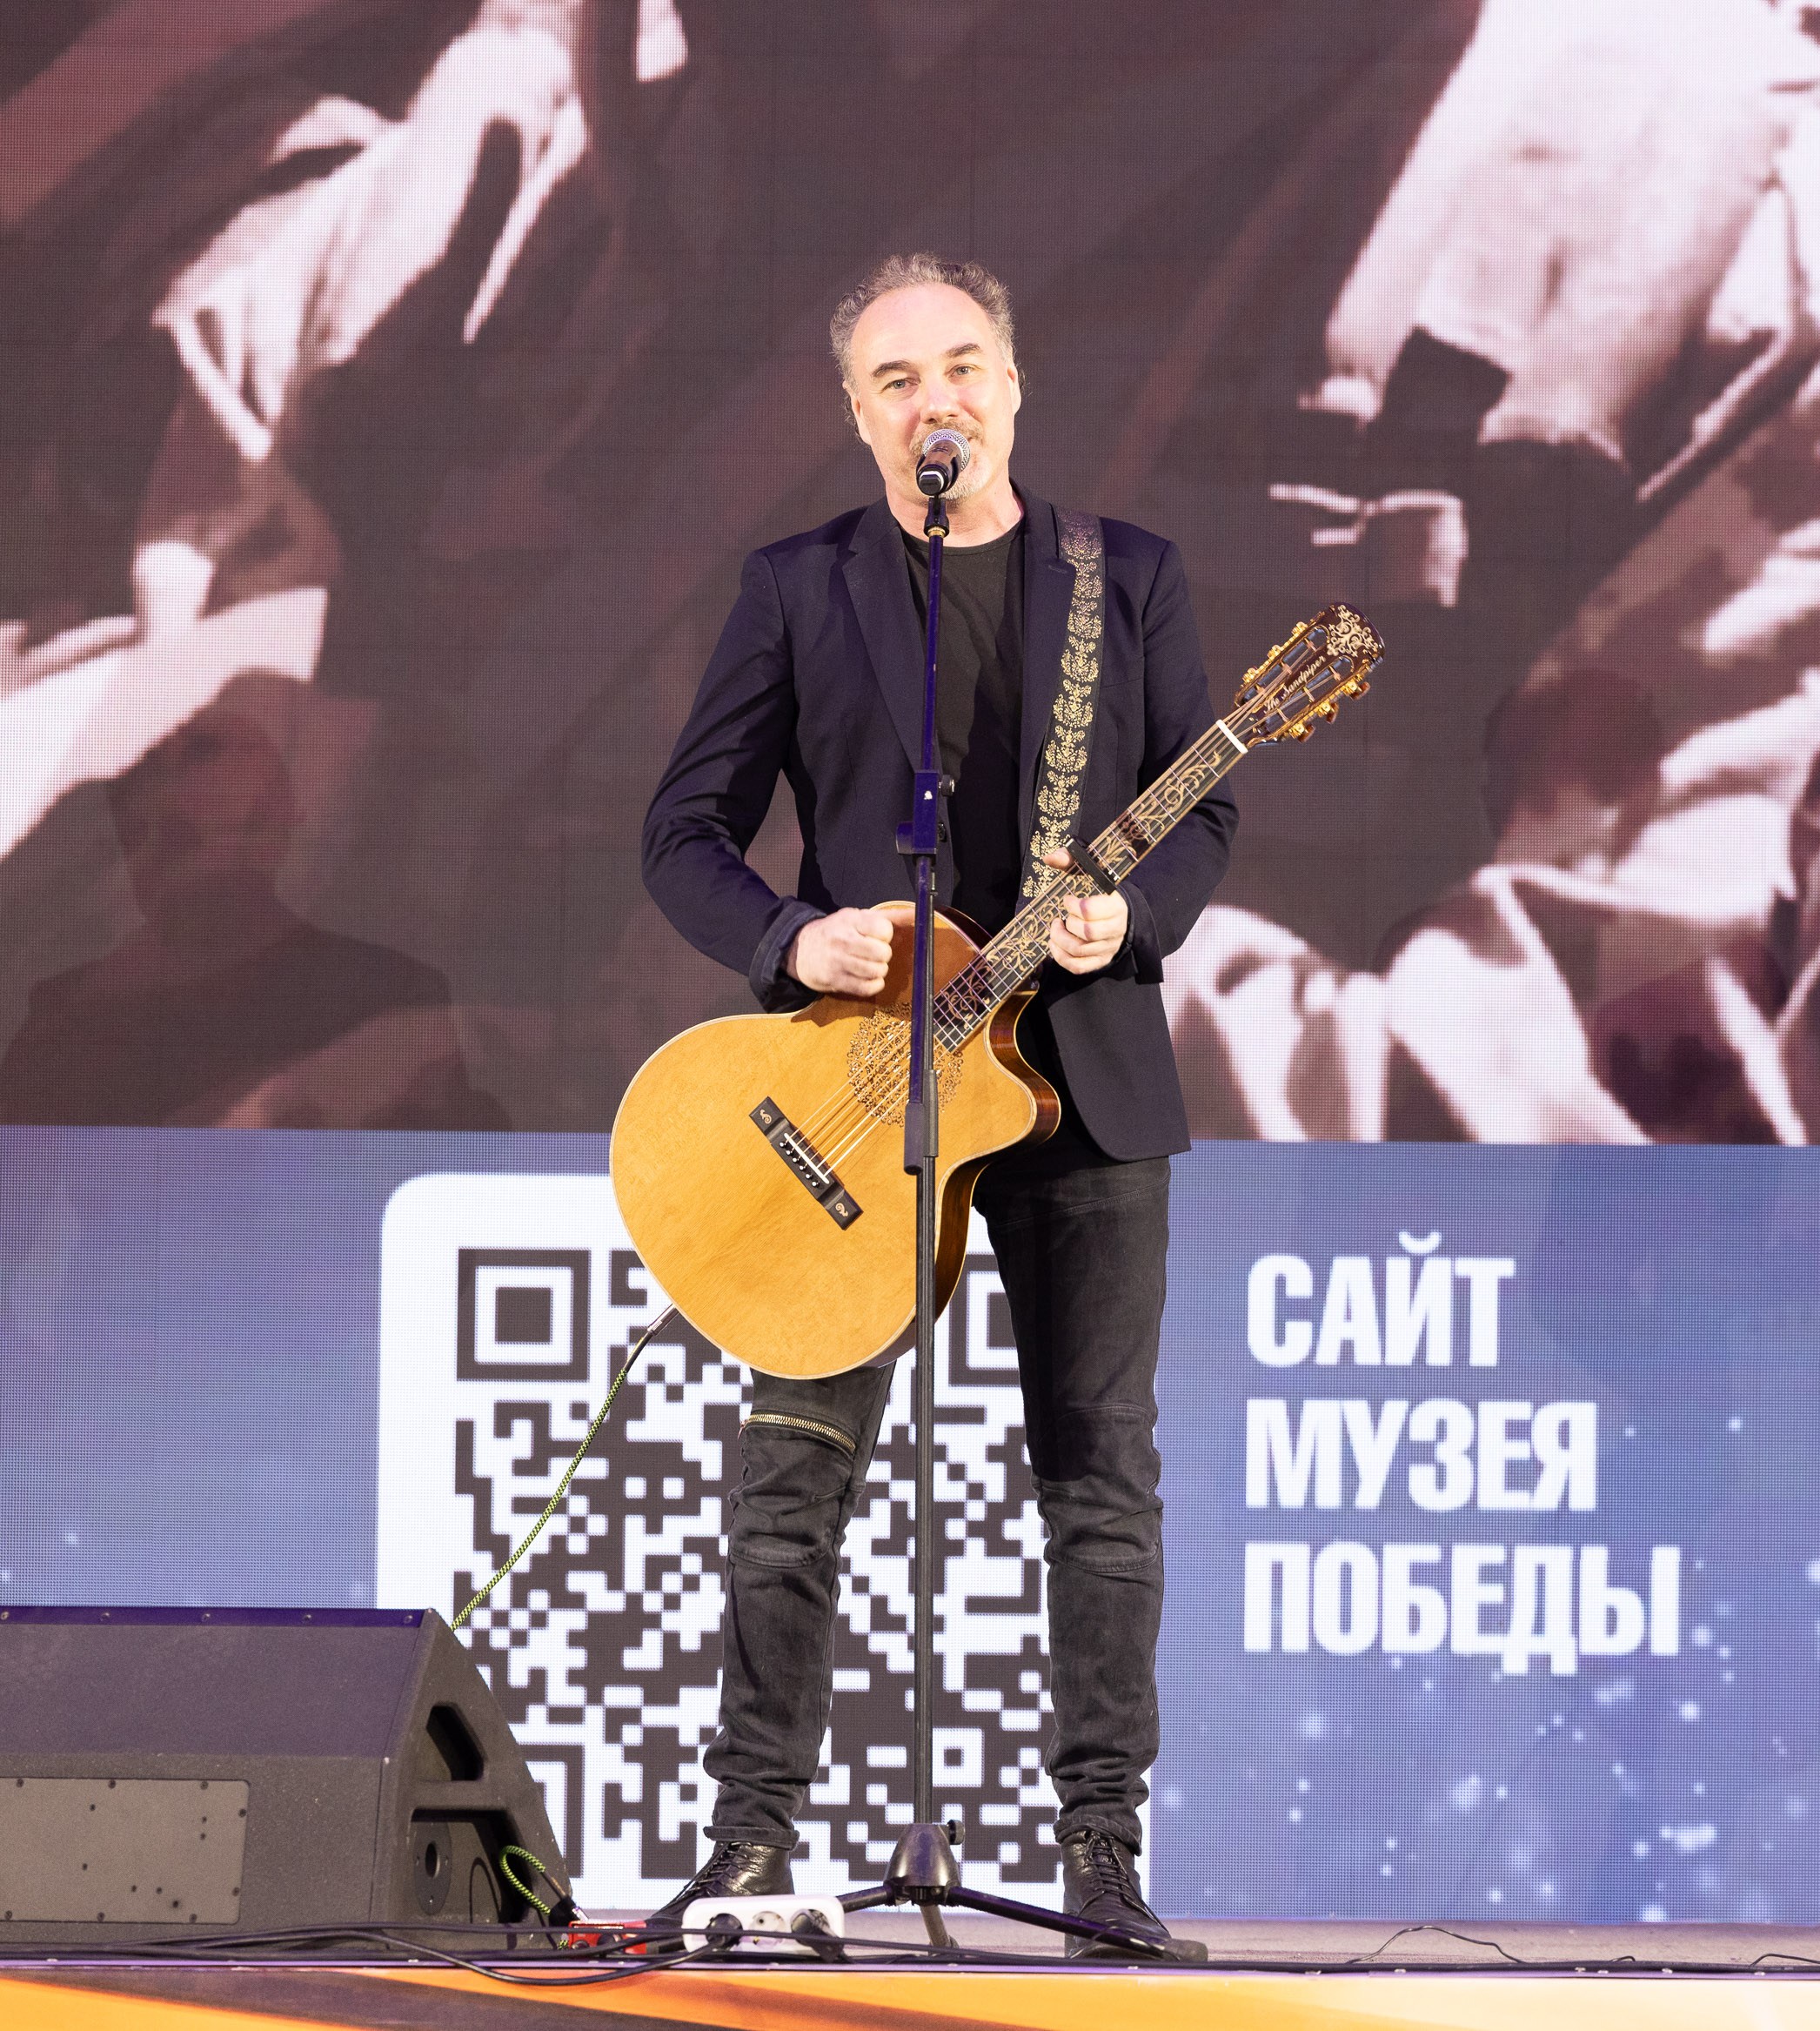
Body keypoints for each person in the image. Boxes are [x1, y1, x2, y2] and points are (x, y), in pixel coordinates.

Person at [637, 252, 1234, 1953]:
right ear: (857, 415)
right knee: (793, 1474)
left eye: (963, 366)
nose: (936, 402)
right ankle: (753, 1846)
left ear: (1014, 385)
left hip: (1078, 1082)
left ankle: (1101, 1863)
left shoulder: (1129, 579)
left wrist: (1133, 916)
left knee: (1098, 1480)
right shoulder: (798, 588)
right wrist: (789, 937)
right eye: (897, 380)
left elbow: (1198, 808)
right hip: (863, 1091)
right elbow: (682, 831)